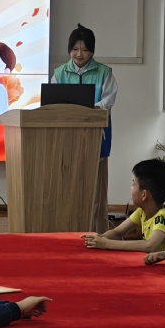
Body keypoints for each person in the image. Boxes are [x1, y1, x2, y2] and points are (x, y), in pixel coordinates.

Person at [51, 24, 118, 234]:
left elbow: (108, 100)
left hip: (97, 137)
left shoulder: (104, 72)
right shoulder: (59, 73)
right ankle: (68, 231)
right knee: (68, 186)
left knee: (97, 189)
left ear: (92, 50)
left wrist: (90, 109)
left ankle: (100, 233)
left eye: (85, 49)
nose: (79, 54)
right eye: (75, 49)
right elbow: (53, 102)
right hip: (68, 137)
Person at [84, 159, 165, 253]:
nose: (131, 188)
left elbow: (150, 245)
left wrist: (106, 244)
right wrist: (101, 237)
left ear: (144, 195)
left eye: (133, 184)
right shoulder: (142, 212)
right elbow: (117, 232)